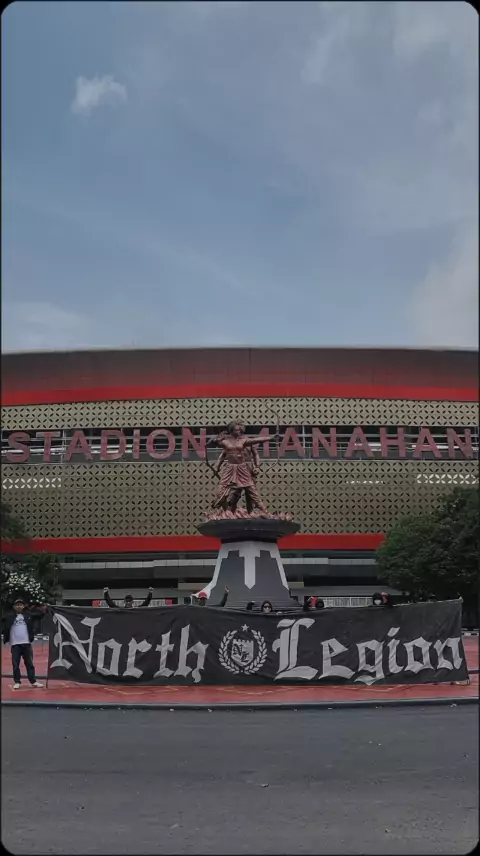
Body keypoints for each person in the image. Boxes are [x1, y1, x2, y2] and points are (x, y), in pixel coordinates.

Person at [208, 420, 280, 515]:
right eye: (237, 429)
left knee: (251, 491)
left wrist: (271, 437)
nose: (239, 431)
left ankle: (263, 511)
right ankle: (228, 512)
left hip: (243, 468)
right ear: (231, 431)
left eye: (240, 429)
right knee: (226, 493)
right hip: (230, 468)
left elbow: (257, 440)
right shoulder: (225, 441)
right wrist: (217, 466)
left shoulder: (244, 441)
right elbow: (215, 446)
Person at [2, 597, 46, 689]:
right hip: (15, 644)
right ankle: (17, 681)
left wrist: (42, 608)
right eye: (17, 605)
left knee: (29, 663)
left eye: (20, 605)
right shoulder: (9, 616)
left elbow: (40, 615)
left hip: (26, 643)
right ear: (14, 607)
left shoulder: (28, 615)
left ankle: (33, 681)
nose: (19, 606)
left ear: (23, 606)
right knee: (15, 664)